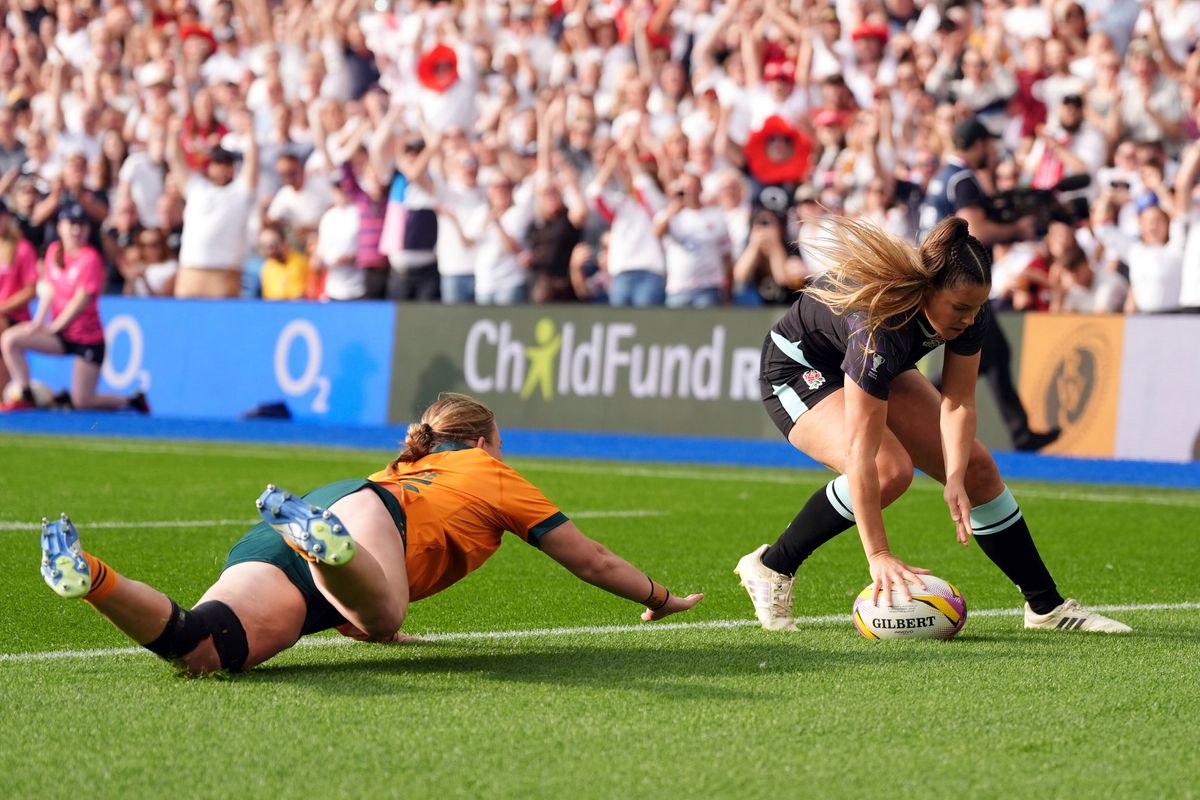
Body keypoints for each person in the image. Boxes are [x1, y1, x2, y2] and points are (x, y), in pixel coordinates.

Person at [39, 393, 703, 675]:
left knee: (201, 648)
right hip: (362, 521)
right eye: (500, 442)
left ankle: (87, 574)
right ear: (480, 442)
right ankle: (323, 547)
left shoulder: (406, 464)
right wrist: (660, 596)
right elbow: (590, 559)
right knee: (384, 613)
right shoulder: (487, 471)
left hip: (335, 508)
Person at [735, 216, 1129, 635]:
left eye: (977, 308)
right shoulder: (878, 328)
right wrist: (879, 555)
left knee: (977, 468)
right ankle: (773, 566)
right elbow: (860, 452)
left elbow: (958, 403)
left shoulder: (968, 311)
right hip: (800, 370)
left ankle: (1046, 607)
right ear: (927, 290)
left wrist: (955, 477)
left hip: (871, 362)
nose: (969, 319)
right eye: (960, 308)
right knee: (889, 468)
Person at [921, 117, 1060, 452]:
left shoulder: (942, 176)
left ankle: (1021, 431)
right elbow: (977, 230)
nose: (993, 150)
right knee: (982, 356)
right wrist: (1018, 229)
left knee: (995, 353)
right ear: (979, 144)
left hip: (940, 276)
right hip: (957, 280)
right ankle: (915, 398)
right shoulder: (963, 178)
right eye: (989, 144)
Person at [0, 205, 148, 413]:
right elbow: (49, 291)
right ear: (60, 227)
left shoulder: (90, 259)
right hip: (61, 335)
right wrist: (38, 323)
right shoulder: (54, 251)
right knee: (10, 339)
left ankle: (131, 401)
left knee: (83, 401)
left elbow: (80, 302)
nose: (76, 230)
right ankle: (26, 394)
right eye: (71, 224)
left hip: (87, 338)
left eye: (81, 225)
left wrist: (54, 328)